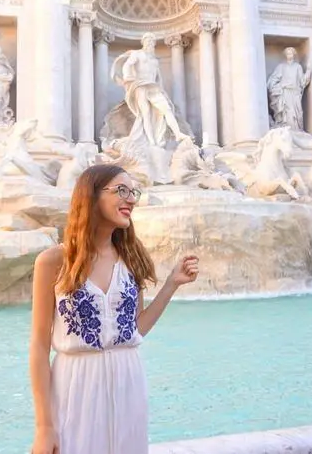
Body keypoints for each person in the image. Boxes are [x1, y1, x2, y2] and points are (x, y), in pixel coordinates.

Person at [29, 164, 200, 454]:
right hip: (75, 384)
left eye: (133, 192)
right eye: (121, 190)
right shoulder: (52, 261)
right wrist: (44, 427)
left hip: (128, 381)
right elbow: (38, 346)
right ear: (91, 196)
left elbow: (134, 330)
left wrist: (172, 284)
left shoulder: (132, 259)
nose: (131, 199)